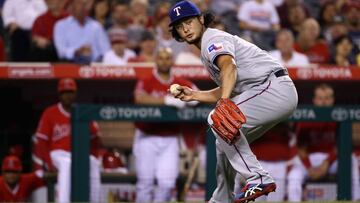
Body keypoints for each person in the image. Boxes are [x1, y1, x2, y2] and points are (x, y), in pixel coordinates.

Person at [167, 1, 298, 202]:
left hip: (273, 88)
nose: (185, 28)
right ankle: (221, 198)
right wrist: (194, 95)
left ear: (201, 19)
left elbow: (229, 67)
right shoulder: (206, 47)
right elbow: (230, 84)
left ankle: (258, 178)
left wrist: (224, 103)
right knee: (223, 140)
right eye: (179, 25)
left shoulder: (213, 38)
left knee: (216, 119)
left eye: (189, 21)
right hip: (269, 90)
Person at [133, 47, 198, 203]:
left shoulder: (178, 82)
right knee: (145, 183)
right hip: (146, 137)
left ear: (172, 61)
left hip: (170, 138)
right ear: (156, 60)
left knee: (167, 183)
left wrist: (185, 99)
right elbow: (139, 98)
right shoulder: (147, 81)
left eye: (167, 58)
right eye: (161, 58)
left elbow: (196, 94)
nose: (164, 61)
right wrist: (166, 101)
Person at [287, 83, 360, 201]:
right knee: (293, 176)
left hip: (331, 158)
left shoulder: (339, 116)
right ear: (314, 100)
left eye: (327, 98)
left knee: (351, 160)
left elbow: (341, 145)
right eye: (320, 98)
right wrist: (309, 167)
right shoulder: (306, 118)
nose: (324, 102)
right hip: (310, 158)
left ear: (332, 100)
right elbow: (300, 148)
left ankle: (356, 199)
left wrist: (327, 163)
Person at [33, 78, 101, 203]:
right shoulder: (50, 113)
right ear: (59, 95)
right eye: (64, 92)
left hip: (78, 154)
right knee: (66, 163)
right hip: (57, 153)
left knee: (93, 162)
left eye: (70, 92)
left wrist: (94, 156)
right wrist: (48, 163)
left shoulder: (83, 111)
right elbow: (41, 142)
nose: (68, 96)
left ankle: (94, 200)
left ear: (75, 94)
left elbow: (95, 139)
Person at [53, 0, 110, 64]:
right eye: (79, 5)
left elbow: (106, 51)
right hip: (71, 65)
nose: (82, 7)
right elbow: (61, 52)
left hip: (94, 65)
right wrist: (77, 51)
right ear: (72, 8)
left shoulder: (96, 26)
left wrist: (96, 57)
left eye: (84, 5)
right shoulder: (61, 25)